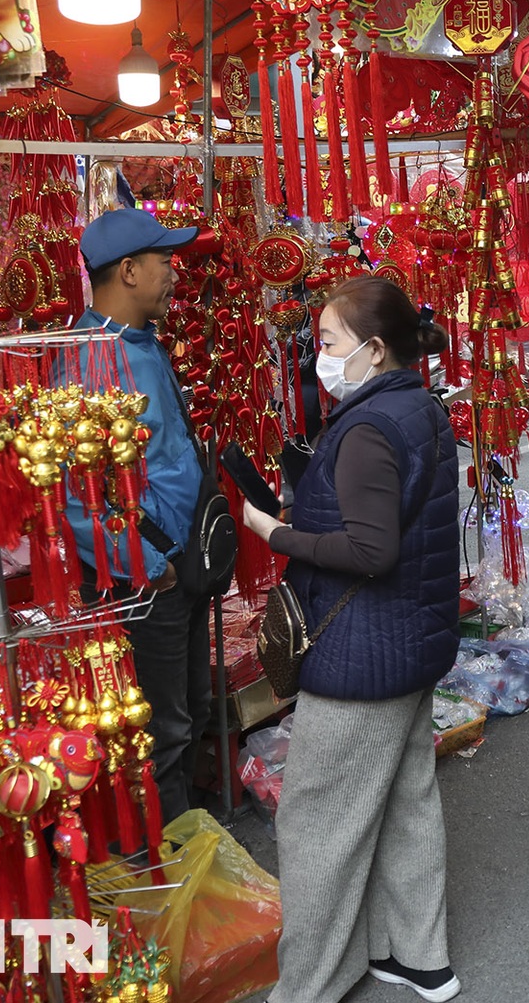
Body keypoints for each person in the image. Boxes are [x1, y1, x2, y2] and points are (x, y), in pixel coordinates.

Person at [240, 276, 461, 1003]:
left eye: (329, 343)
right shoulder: (417, 405)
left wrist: (275, 529)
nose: (319, 357)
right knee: (405, 798)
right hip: (411, 638)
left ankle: (311, 985)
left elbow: (370, 550)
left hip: (363, 650)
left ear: (372, 349)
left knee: (317, 821)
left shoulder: (368, 426)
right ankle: (416, 955)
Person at [70, 209, 207, 825]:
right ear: (129, 271)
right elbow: (81, 496)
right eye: (165, 262)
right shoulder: (88, 363)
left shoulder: (140, 346)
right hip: (147, 580)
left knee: (186, 714)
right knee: (159, 731)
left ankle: (190, 853)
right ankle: (166, 877)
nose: (175, 274)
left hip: (176, 566)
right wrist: (154, 565)